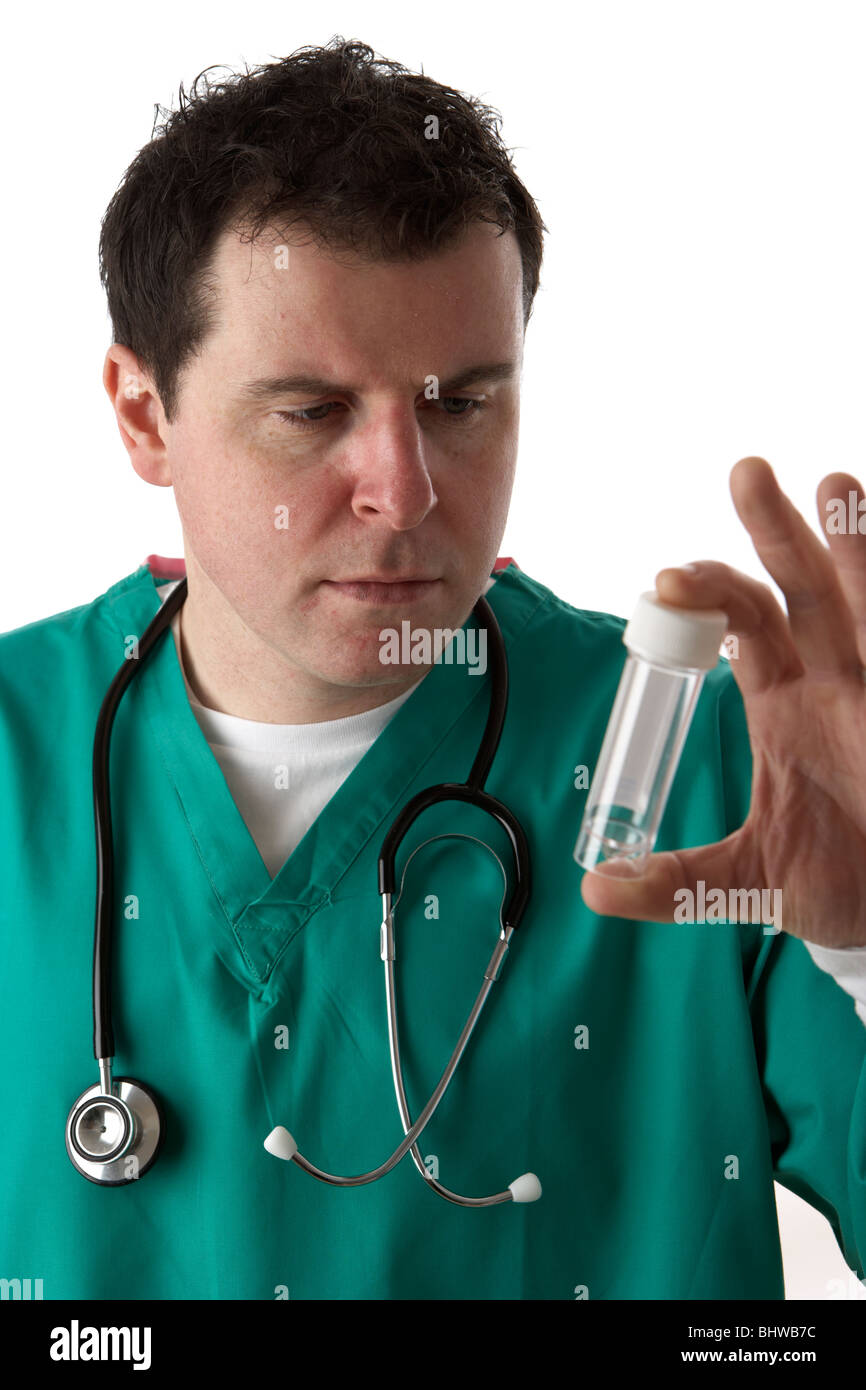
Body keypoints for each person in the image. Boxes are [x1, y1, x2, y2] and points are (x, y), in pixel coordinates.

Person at [1, 35, 864, 1302]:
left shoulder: (723, 777)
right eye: (310, 412)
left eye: (460, 403)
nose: (405, 494)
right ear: (144, 414)